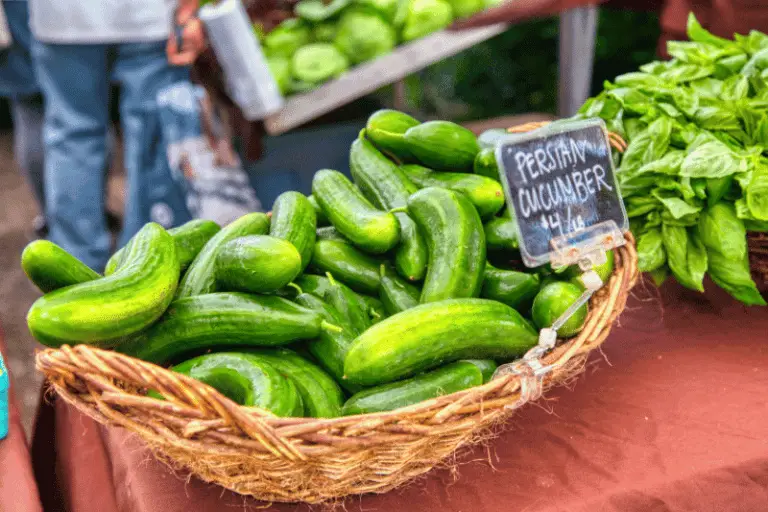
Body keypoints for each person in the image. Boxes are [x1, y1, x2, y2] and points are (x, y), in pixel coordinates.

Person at [28, 0, 206, 270]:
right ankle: (141, 269)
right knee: (150, 137)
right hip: (149, 16)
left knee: (73, 136)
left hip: (60, 15)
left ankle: (74, 272)